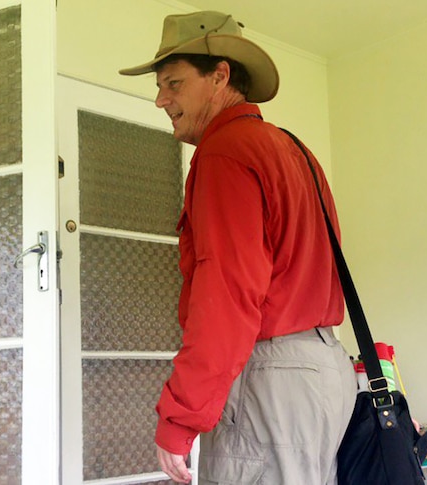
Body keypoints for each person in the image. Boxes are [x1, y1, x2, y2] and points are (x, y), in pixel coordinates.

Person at [120, 11, 356, 485]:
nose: (161, 98)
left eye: (174, 83)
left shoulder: (225, 151)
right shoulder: (294, 150)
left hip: (271, 381)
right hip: (324, 370)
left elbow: (227, 293)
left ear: (220, 76)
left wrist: (180, 418)